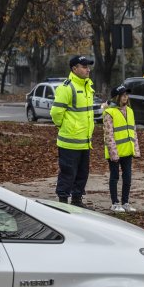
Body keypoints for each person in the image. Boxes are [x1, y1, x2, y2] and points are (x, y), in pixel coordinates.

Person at [50, 55, 96, 208]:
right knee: (68, 174)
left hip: (84, 141)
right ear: (74, 69)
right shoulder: (67, 87)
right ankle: (63, 203)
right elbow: (56, 113)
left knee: (83, 174)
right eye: (84, 66)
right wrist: (63, 127)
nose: (87, 69)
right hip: (69, 141)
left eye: (88, 66)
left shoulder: (87, 85)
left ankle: (77, 200)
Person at [103, 85, 140, 213]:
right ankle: (115, 203)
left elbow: (133, 131)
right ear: (117, 97)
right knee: (114, 177)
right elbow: (109, 135)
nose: (126, 97)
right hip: (115, 152)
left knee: (128, 177)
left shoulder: (130, 111)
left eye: (126, 94)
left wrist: (135, 149)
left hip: (127, 151)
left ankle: (125, 202)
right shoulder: (109, 112)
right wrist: (113, 153)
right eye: (123, 95)